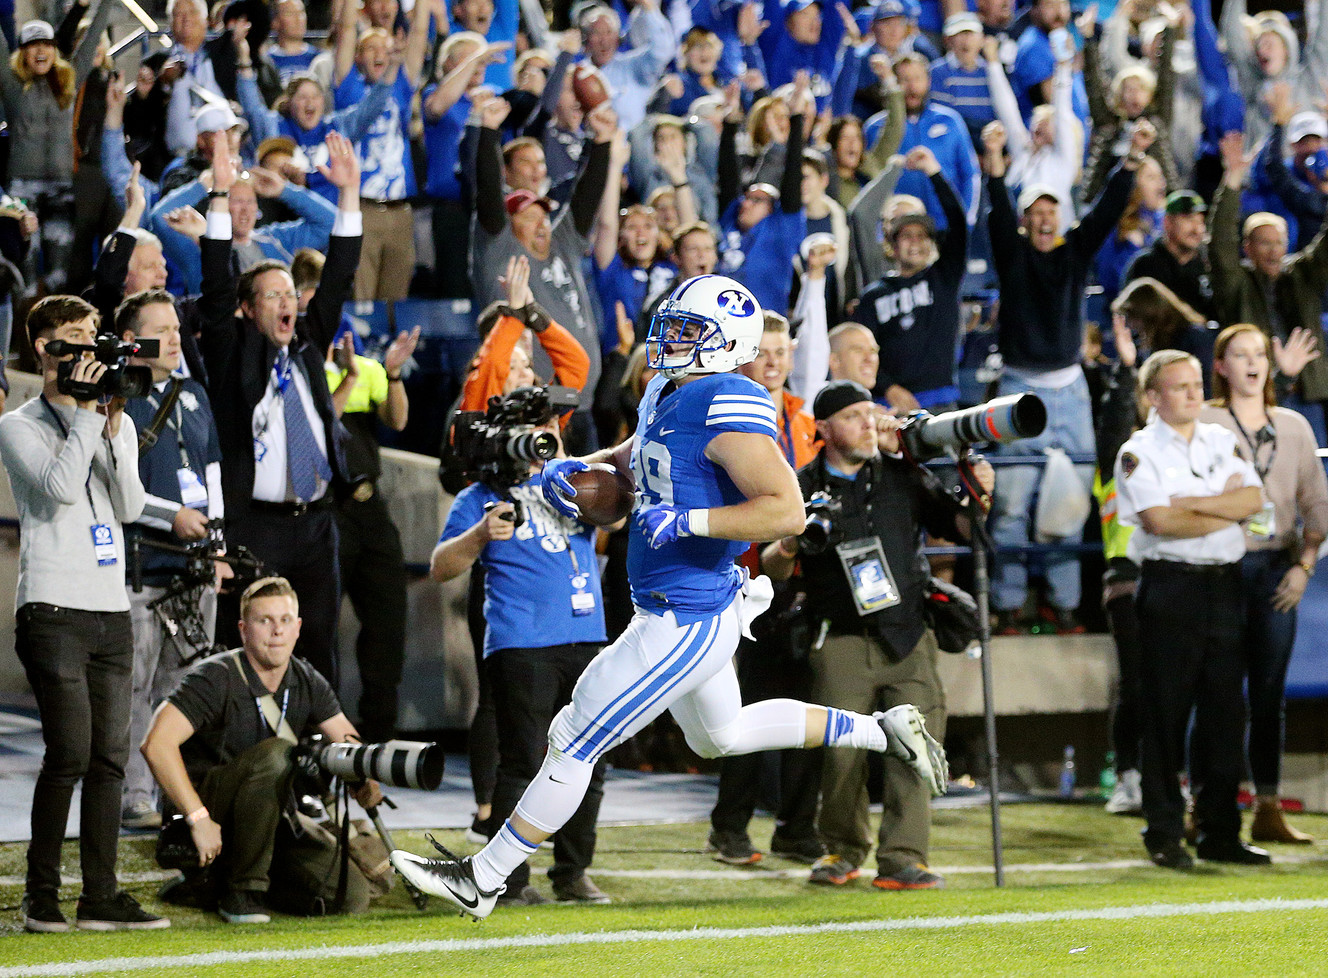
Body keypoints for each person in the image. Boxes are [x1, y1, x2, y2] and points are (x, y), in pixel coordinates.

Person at [390, 274, 948, 918]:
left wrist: (692, 522)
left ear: (725, 343)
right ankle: (882, 732)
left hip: (686, 617)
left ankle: (482, 877)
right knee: (724, 736)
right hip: (676, 605)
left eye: (689, 331)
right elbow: (642, 454)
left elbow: (788, 510)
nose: (671, 338)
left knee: (573, 736)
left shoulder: (726, 402)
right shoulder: (669, 387)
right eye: (674, 325)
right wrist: (590, 464)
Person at [763, 379, 993, 889]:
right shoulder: (798, 485)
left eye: (871, 413)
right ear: (823, 428)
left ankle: (905, 856)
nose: (868, 423)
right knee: (840, 756)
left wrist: (980, 488)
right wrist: (791, 545)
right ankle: (842, 850)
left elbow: (961, 527)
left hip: (909, 634)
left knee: (917, 750)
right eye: (853, 416)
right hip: (840, 635)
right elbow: (771, 565)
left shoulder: (904, 475)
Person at [0, 295, 167, 932]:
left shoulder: (106, 418)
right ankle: (40, 896)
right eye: (74, 338)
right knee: (69, 751)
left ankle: (100, 896)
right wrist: (83, 420)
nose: (89, 349)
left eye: (92, 336)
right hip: (52, 608)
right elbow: (62, 487)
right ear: (44, 348)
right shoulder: (19, 425)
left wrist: (112, 425)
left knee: (108, 760)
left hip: (109, 610)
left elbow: (125, 505)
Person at [431, 387, 613, 906]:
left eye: (550, 430)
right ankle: (508, 880)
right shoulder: (479, 496)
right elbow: (440, 566)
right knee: (523, 763)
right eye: (535, 432)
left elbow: (616, 520)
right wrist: (481, 536)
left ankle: (573, 872)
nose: (543, 440)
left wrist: (593, 486)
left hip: (587, 638)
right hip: (522, 643)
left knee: (591, 763)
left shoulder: (572, 483)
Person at [199, 132, 362, 687]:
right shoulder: (232, 348)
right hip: (254, 528)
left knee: (318, 649)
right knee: (244, 657)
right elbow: (216, 289)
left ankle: (324, 765)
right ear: (248, 310)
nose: (288, 301)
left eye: (290, 292)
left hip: (316, 526)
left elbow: (338, 274)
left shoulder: (309, 342)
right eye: (272, 295)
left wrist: (349, 197)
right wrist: (221, 196)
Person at [982, 117, 1153, 634]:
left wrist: (1128, 161)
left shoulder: (1075, 254)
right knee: (1010, 506)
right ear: (1024, 219)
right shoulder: (1011, 255)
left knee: (1072, 504)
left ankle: (1063, 606)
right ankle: (1010, 607)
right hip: (1017, 389)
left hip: (1070, 390)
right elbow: (994, 216)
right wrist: (994, 173)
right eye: (1034, 211)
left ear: (1059, 217)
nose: (1043, 219)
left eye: (1051, 210)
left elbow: (1103, 216)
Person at [140, 577, 384, 923]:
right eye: (263, 621)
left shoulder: (306, 679)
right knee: (278, 753)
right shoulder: (216, 676)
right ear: (243, 629)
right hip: (212, 812)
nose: (276, 631)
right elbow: (156, 744)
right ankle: (242, 891)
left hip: (271, 817)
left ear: (298, 628)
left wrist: (366, 776)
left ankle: (216, 885)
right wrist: (198, 818)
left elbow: (348, 740)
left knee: (349, 894)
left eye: (285, 621)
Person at [1113, 349, 1269, 869]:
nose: (1193, 393)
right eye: (1179, 386)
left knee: (1226, 712)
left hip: (1225, 586)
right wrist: (1220, 509)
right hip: (1170, 587)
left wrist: (1190, 504)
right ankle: (1163, 831)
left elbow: (1255, 503)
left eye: (1196, 383)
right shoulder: (1138, 451)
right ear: (1153, 397)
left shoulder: (1222, 439)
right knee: (1165, 712)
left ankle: (1220, 831)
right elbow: (1158, 521)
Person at [1199, 324, 1328, 845]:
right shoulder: (1204, 423)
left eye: (1259, 354)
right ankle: (1204, 805)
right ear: (1221, 366)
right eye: (1240, 354)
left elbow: (1316, 504)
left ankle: (1268, 807)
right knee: (1217, 694)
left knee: (1269, 694)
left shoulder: (1293, 425)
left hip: (1278, 568)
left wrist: (1305, 565)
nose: (1252, 363)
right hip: (1221, 568)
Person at [707, 312, 823, 865]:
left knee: (808, 706)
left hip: (805, 585)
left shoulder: (806, 418)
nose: (773, 361)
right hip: (748, 582)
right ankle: (729, 829)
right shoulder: (729, 414)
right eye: (764, 350)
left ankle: (797, 829)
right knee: (746, 709)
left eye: (782, 351)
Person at [119, 289, 228, 831]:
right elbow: (120, 488)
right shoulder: (117, 399)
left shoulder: (196, 394)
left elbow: (212, 475)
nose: (173, 339)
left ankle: (176, 797)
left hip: (194, 569)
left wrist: (219, 549)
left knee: (184, 688)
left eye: (177, 329)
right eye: (160, 330)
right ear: (132, 339)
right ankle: (136, 794)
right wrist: (172, 518)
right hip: (142, 568)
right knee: (136, 686)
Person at [326, 318, 421, 743]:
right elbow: (323, 419)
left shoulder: (367, 366)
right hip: (326, 509)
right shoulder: (299, 366)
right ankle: (322, 735)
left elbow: (397, 420)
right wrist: (348, 376)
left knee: (388, 621)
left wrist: (394, 372)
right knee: (319, 627)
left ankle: (378, 736)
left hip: (370, 507)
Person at [857, 147, 967, 414]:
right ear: (891, 246)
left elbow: (959, 222)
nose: (915, 243)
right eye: (906, 236)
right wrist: (888, 388)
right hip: (889, 407)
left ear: (932, 244)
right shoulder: (873, 296)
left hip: (940, 403)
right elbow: (860, 351)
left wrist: (934, 172)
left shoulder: (943, 277)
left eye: (922, 236)